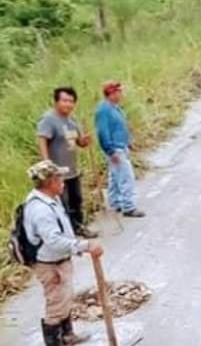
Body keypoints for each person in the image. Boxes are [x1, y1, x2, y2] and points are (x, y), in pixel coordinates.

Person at [23, 160, 103, 346]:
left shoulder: (51, 199)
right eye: (60, 178)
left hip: (58, 260)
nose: (63, 181)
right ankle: (54, 342)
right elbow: (54, 241)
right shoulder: (40, 209)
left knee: (64, 297)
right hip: (49, 264)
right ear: (50, 182)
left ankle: (67, 336)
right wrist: (85, 246)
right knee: (56, 304)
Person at [37, 87, 97, 238]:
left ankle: (79, 227)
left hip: (72, 169)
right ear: (56, 101)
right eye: (64, 100)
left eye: (71, 101)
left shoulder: (72, 121)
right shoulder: (49, 119)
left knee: (76, 200)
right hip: (57, 172)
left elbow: (79, 142)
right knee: (63, 204)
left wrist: (85, 141)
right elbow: (42, 139)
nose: (68, 104)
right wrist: (47, 163)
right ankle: (66, 234)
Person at [94, 81, 145, 218]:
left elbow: (120, 127)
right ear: (111, 93)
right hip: (114, 148)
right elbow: (102, 132)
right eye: (118, 92)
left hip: (121, 146)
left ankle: (115, 202)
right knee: (125, 177)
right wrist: (110, 150)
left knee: (115, 177)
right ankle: (128, 206)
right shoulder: (103, 110)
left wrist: (128, 142)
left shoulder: (115, 108)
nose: (121, 94)